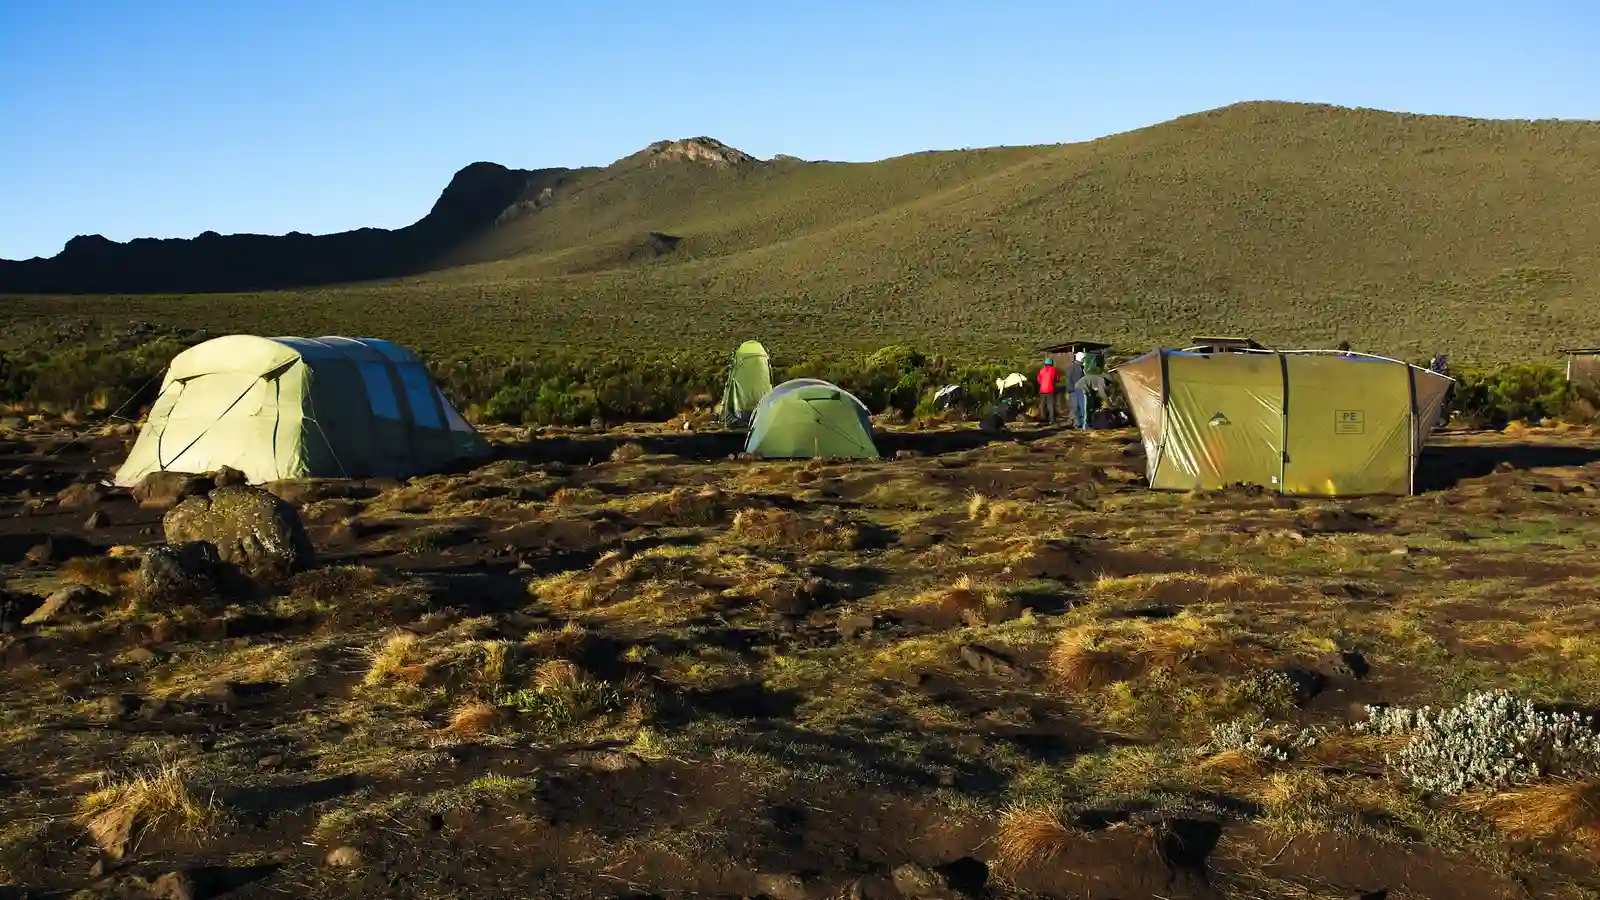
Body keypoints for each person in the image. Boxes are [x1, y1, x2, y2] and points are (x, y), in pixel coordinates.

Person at [1066, 352, 1086, 428]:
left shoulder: (1072, 367)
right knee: (1077, 407)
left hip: (1073, 389)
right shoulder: (1078, 367)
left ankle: (1076, 423)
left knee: (1075, 407)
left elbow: (1068, 378)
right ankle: (1077, 423)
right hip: (1076, 389)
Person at [1036, 357, 1059, 425]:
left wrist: (1042, 384)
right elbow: (1057, 379)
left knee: (1042, 405)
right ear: (1051, 364)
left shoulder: (1041, 370)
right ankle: (1051, 420)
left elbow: (1038, 379)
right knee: (1050, 405)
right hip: (1050, 390)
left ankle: (1043, 419)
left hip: (1042, 390)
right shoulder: (1053, 370)